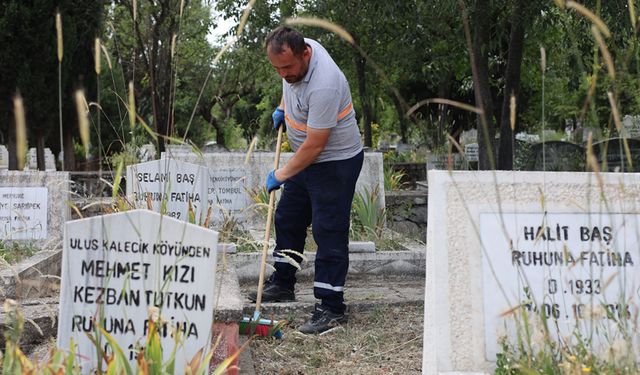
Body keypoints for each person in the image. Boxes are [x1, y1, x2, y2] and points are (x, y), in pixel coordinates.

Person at [249, 26, 364, 334]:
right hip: (307, 159)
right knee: (288, 216)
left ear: (306, 54)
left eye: (287, 68)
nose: (283, 74)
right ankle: (284, 283)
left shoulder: (324, 83)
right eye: (277, 69)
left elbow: (316, 144)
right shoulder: (295, 54)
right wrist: (282, 107)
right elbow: (290, 85)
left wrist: (281, 174)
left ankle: (331, 307)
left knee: (328, 229)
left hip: (335, 162)